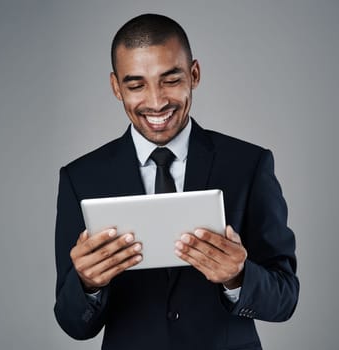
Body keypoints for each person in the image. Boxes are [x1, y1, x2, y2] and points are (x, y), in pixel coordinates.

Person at [54, 13, 299, 350]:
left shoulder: (248, 165)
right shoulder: (80, 178)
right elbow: (73, 324)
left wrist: (238, 277)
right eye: (136, 84)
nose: (156, 102)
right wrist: (87, 283)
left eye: (170, 80)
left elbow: (285, 298)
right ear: (116, 87)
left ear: (194, 74)